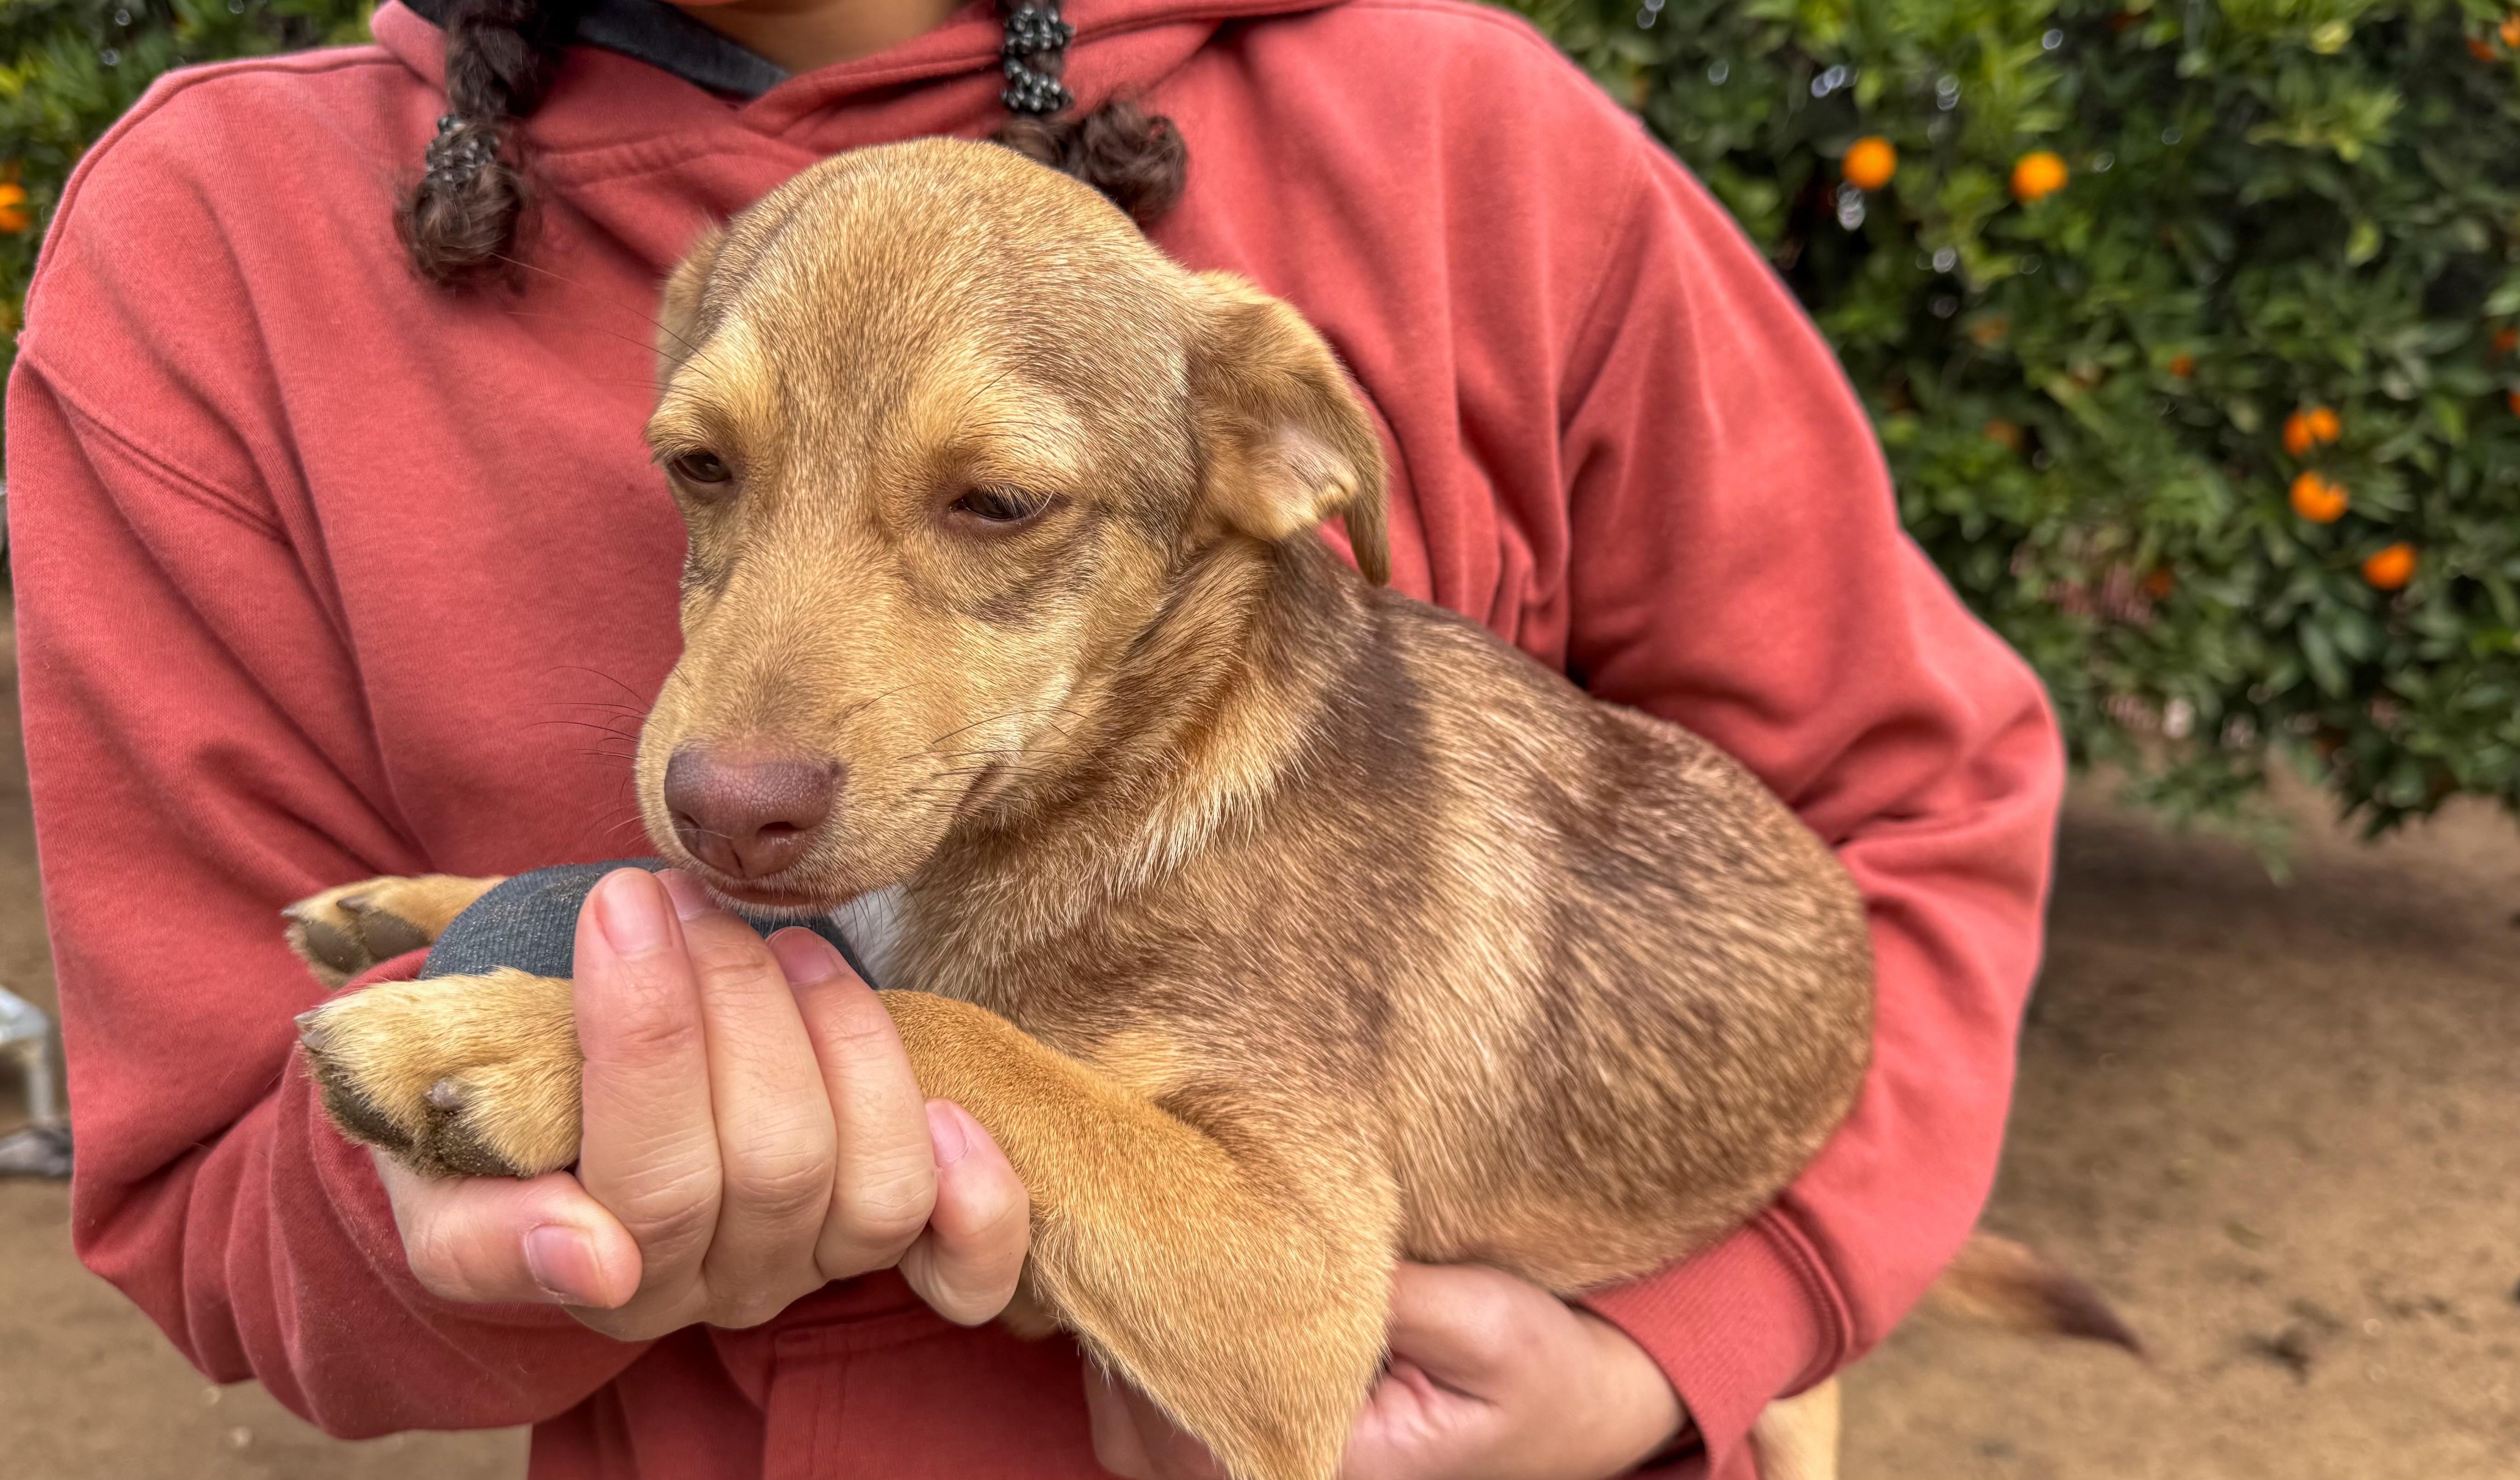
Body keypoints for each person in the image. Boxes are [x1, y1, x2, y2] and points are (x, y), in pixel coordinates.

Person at [3, 0, 2064, 1474]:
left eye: (990, 506)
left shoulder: (1461, 140)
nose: (738, 750)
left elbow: (1920, 797)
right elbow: (215, 1188)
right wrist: (515, 1064)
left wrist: (1724, 1332)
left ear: (1280, 469)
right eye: (706, 472)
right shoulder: (215, 248)